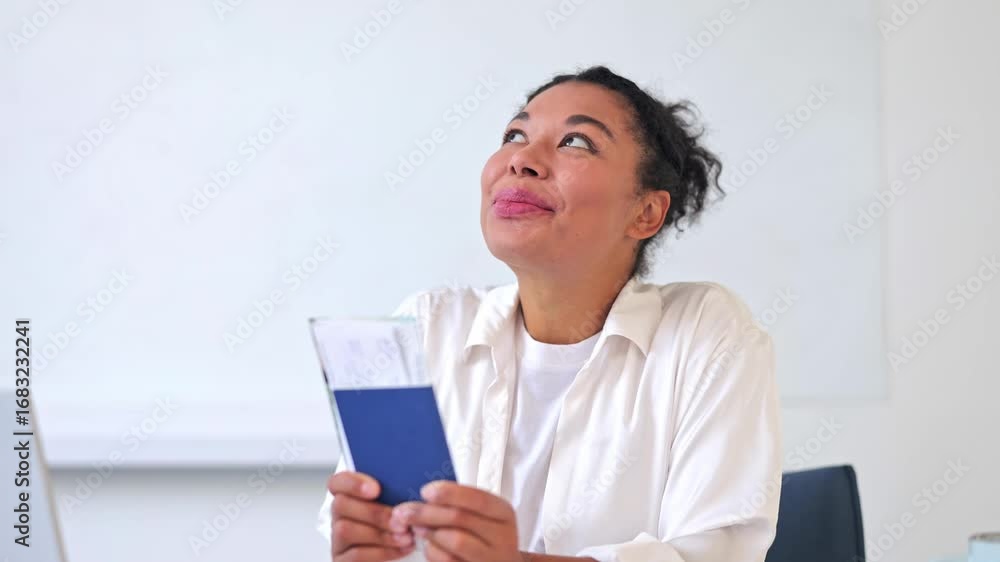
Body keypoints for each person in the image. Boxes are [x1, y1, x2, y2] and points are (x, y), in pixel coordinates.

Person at [318, 65, 781, 562]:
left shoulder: (705, 333)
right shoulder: (427, 325)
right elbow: (377, 531)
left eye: (576, 142)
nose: (521, 160)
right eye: (514, 135)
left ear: (645, 213)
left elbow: (716, 553)